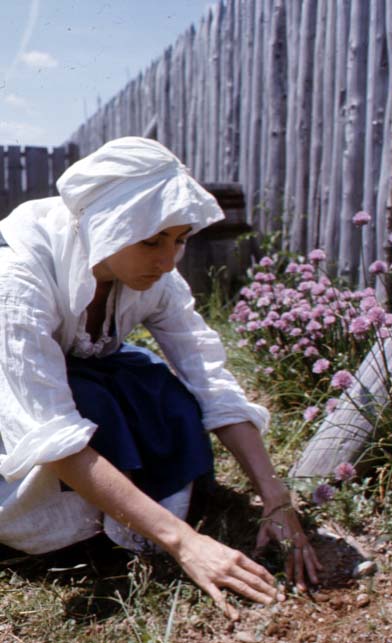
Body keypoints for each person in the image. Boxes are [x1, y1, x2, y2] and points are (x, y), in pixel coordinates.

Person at [0, 137, 320, 619]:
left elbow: (207, 375)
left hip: (66, 374)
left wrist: (275, 497)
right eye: (151, 241)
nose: (168, 260)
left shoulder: (158, 279)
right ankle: (74, 536)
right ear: (106, 226)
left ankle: (132, 514)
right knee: (90, 403)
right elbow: (49, 430)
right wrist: (185, 543)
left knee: (160, 390)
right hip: (12, 396)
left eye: (180, 239)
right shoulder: (17, 278)